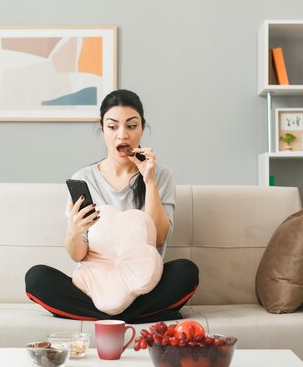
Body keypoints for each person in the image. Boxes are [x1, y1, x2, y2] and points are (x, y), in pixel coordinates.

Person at [25, 89, 199, 324]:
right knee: (37, 278)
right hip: (94, 288)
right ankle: (138, 316)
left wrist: (149, 180)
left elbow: (158, 239)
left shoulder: (160, 175)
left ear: (143, 128)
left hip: (143, 287)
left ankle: (105, 317)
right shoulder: (84, 178)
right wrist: (74, 231)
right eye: (112, 126)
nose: (122, 135)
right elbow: (78, 254)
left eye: (131, 126)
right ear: (102, 129)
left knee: (186, 272)